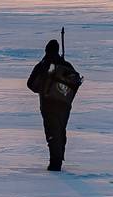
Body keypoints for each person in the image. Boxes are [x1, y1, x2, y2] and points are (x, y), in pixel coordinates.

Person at [27, 39, 80, 171]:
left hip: (48, 104)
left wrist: (45, 88)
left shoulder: (44, 64)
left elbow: (31, 84)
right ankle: (58, 159)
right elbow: (75, 84)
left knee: (52, 131)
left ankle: (55, 164)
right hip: (64, 105)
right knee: (60, 130)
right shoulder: (66, 65)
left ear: (46, 50)